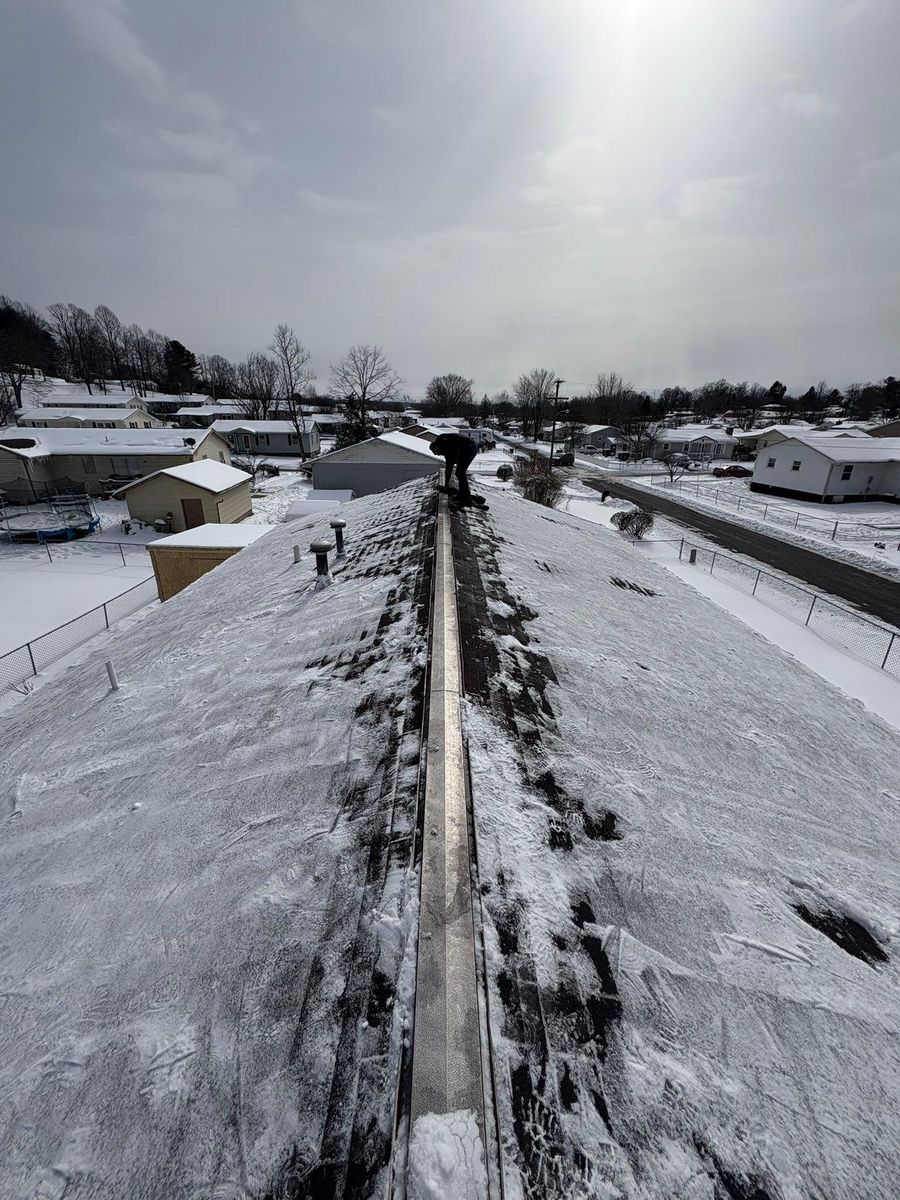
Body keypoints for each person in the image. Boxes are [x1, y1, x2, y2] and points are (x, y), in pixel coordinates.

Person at [429, 432, 478, 504]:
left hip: (468, 447)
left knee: (460, 472)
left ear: (436, 448)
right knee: (460, 472)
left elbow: (449, 466)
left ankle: (465, 498)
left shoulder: (443, 441)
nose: (440, 454)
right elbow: (449, 465)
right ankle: (464, 495)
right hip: (473, 446)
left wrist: (446, 483)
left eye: (438, 453)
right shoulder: (445, 444)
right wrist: (446, 482)